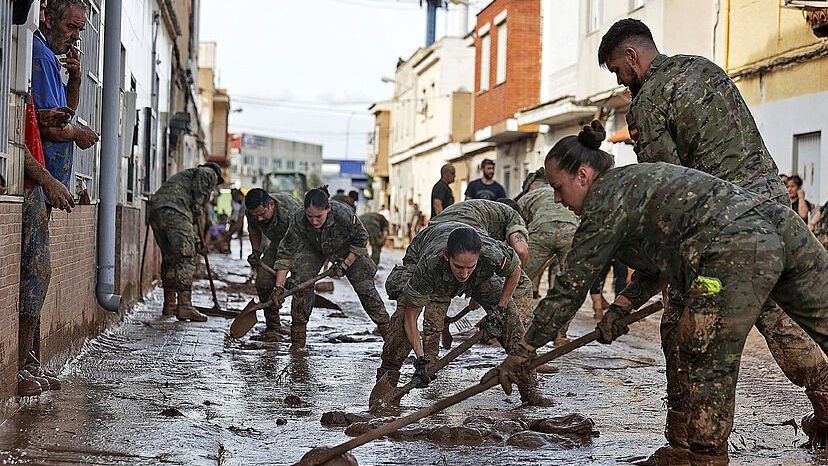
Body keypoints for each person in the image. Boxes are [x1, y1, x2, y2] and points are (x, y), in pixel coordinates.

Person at [487, 126, 828, 466]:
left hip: (735, 250)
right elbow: (660, 259)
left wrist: (525, 350)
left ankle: (705, 459)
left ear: (582, 175)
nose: (557, 199)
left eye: (559, 188)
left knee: (701, 357)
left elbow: (570, 286)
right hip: (780, 225)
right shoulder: (632, 184)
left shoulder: (604, 200)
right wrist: (623, 304)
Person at [599, 18, 828, 458]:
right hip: (773, 211)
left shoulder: (647, 103)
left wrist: (630, 296)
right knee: (782, 322)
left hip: (723, 231)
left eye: (617, 71)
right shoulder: (705, 68)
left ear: (631, 57)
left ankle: (684, 444)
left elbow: (665, 197)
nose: (621, 81)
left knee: (682, 331)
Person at [377, 223, 552, 406]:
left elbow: (514, 272)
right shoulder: (429, 265)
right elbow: (411, 318)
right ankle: (387, 384)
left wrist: (499, 310)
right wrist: (421, 358)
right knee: (400, 326)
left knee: (510, 318)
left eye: (470, 267)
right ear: (447, 257)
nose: (464, 274)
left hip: (482, 274)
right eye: (459, 267)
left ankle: (529, 388)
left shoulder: (492, 254)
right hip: (425, 254)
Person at [272, 189, 390, 351]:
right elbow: (286, 252)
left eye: (318, 217)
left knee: (365, 289)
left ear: (327, 209)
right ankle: (298, 343)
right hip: (314, 248)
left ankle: (390, 337)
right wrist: (279, 287)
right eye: (310, 217)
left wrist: (345, 264)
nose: (313, 221)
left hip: (348, 249)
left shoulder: (343, 214)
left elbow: (361, 238)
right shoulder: (299, 219)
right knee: (302, 282)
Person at [148, 163, 223, 322]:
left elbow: (189, 223)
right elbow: (204, 174)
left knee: (170, 257)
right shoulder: (209, 172)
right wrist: (198, 202)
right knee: (185, 258)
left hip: (157, 210)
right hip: (175, 211)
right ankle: (184, 306)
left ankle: (170, 304)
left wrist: (196, 239)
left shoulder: (186, 180)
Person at [239, 189, 303, 341]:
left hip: (302, 243)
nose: (259, 219)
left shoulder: (290, 212)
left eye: (262, 214)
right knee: (263, 281)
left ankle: (299, 332)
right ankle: (273, 326)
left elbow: (288, 251)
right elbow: (254, 232)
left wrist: (281, 284)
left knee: (299, 285)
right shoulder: (253, 212)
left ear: (271, 204)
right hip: (278, 242)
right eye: (256, 216)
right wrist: (256, 252)